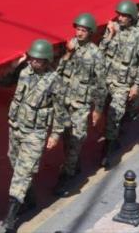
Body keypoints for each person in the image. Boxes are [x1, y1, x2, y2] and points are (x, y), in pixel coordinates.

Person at [0, 40, 59, 232]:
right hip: (16, 128)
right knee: (15, 162)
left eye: (38, 60)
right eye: (32, 58)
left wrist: (55, 134)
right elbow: (2, 82)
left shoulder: (54, 80)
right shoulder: (24, 72)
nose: (33, 62)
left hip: (35, 133)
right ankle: (29, 199)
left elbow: (60, 110)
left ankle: (10, 218)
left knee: (22, 173)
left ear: (47, 61)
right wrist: (14, 66)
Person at [52, 13, 106, 196]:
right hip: (63, 100)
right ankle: (73, 164)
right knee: (67, 138)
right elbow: (57, 72)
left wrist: (98, 108)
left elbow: (100, 83)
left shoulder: (96, 54)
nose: (80, 33)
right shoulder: (70, 45)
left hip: (81, 104)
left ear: (90, 33)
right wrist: (67, 53)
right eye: (78, 29)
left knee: (76, 138)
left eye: (84, 30)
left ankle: (67, 176)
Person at [99, 0, 139, 168]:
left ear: (132, 18)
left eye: (125, 16)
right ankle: (113, 135)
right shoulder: (112, 29)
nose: (120, 18)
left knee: (114, 115)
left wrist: (137, 85)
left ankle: (108, 151)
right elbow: (101, 52)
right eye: (119, 14)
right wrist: (109, 36)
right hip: (107, 79)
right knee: (104, 111)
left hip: (123, 84)